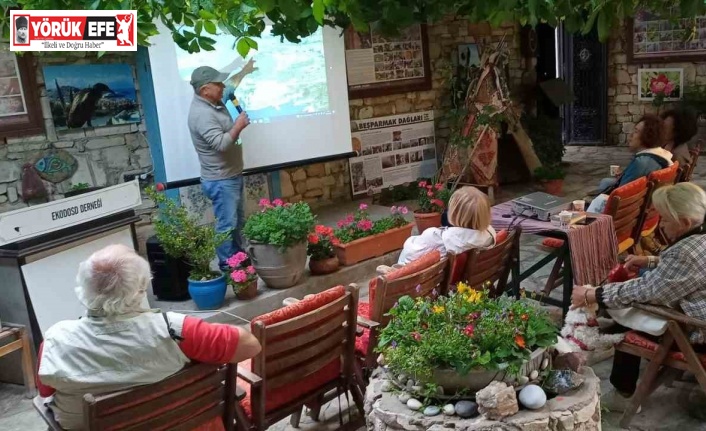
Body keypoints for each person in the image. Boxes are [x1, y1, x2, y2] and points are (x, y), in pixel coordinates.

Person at [36, 244, 261, 430]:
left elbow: (45, 392)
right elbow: (250, 345)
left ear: (82, 290)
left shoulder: (55, 342)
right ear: (140, 290)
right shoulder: (175, 330)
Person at [571, 182, 706, 412]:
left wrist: (593, 294)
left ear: (684, 222)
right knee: (626, 310)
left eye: (664, 219)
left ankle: (623, 395)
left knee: (626, 324)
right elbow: (688, 271)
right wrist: (651, 261)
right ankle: (595, 340)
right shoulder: (699, 236)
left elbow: (646, 291)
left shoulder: (685, 254)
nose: (660, 224)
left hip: (697, 332)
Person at [188, 66, 251, 271]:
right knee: (227, 224)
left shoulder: (214, 101)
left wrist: (245, 71)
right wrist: (239, 126)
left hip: (231, 176)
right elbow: (221, 144)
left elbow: (231, 85)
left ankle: (238, 257)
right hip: (221, 180)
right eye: (218, 84)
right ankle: (227, 265)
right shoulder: (202, 114)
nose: (223, 86)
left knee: (237, 221)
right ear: (205, 90)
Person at [587, 114, 673, 213]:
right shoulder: (661, 156)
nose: (631, 135)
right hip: (640, 208)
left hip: (624, 215)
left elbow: (619, 197)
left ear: (648, 136)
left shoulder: (641, 162)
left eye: (636, 131)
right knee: (606, 182)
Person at [397, 186, 496, 265]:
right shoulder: (489, 235)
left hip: (427, 286)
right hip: (468, 284)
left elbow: (408, 254)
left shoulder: (436, 237)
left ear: (454, 213)